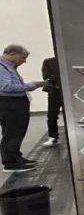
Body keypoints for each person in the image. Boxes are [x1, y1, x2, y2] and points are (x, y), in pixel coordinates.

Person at [0, 44, 46, 173]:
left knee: (18, 132)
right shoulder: (2, 68)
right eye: (23, 57)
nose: (24, 61)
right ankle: (10, 163)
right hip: (10, 104)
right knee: (12, 133)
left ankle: (16, 157)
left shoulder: (9, 67)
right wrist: (32, 85)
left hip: (16, 103)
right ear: (12, 54)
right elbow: (6, 88)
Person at [41, 57, 62, 147]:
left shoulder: (71, 59)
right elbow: (46, 77)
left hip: (70, 91)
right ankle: (53, 137)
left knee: (74, 114)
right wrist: (54, 79)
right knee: (51, 116)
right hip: (55, 92)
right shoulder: (48, 62)